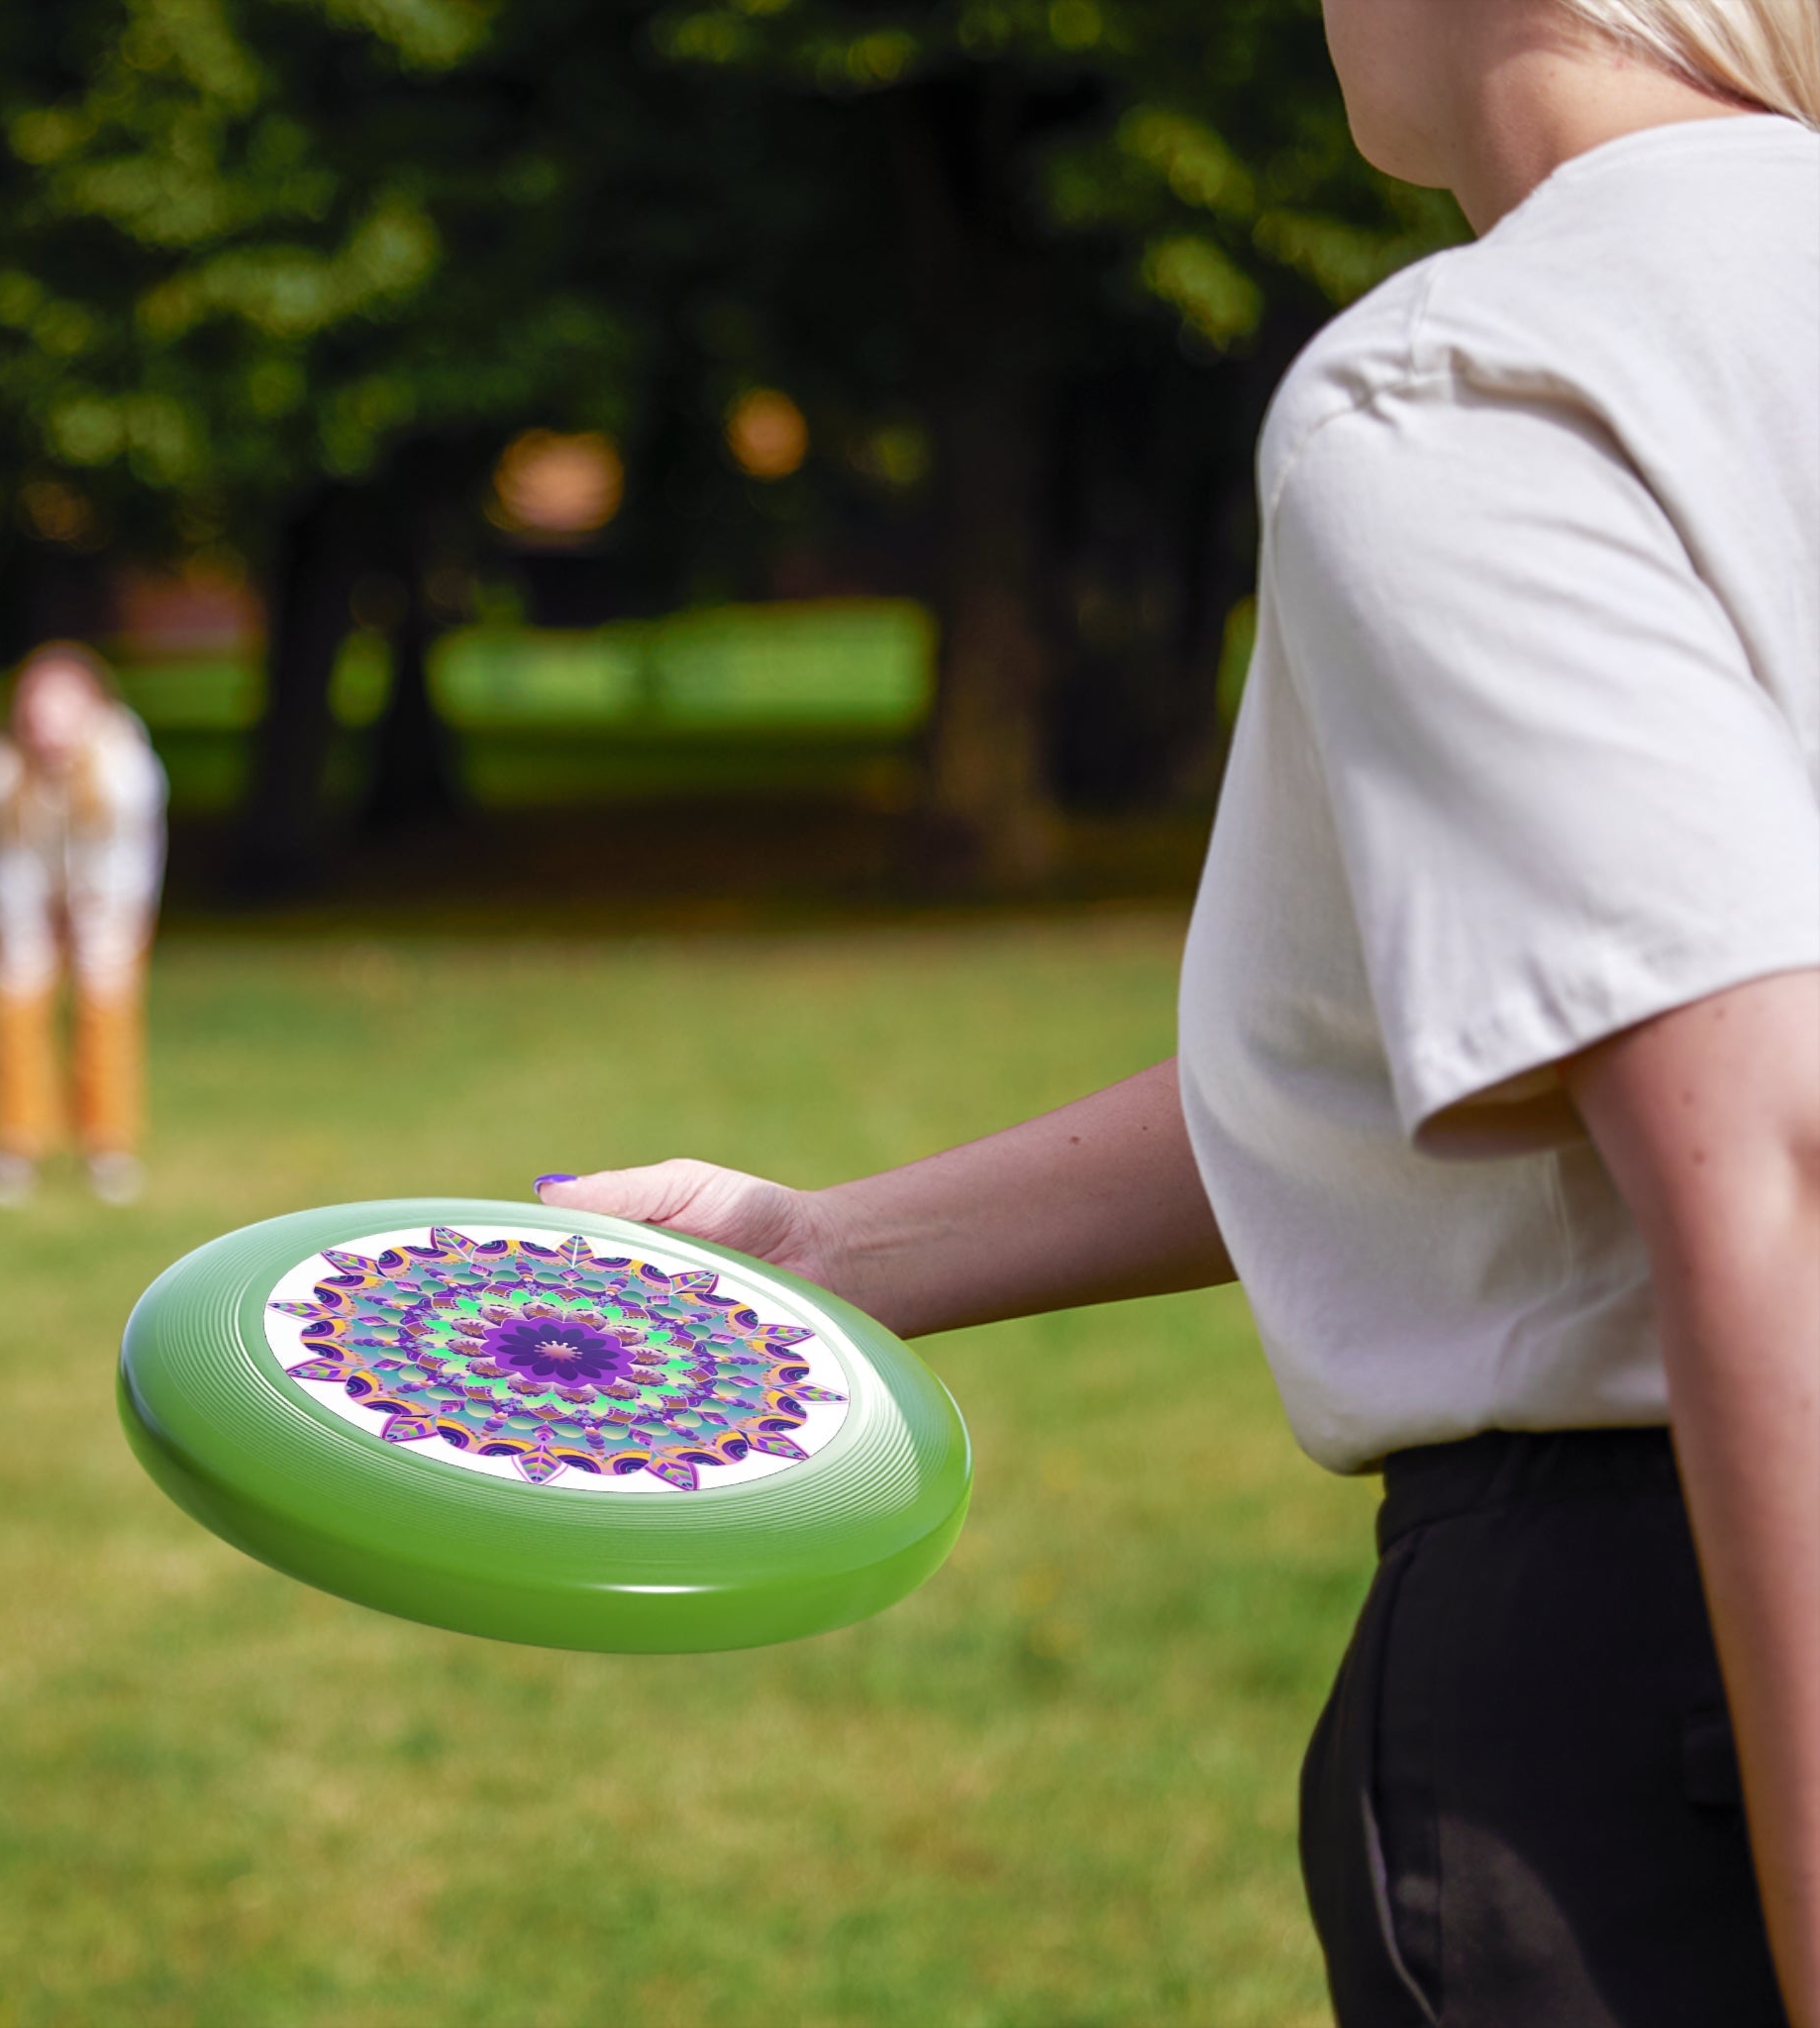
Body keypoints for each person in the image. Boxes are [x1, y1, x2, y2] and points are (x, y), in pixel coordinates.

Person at [533, 2, 1820, 2022]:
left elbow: (1769, 1153)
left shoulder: (1480, 379)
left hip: (1675, 1671)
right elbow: (1506, 1037)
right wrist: (826, 1248)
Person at [0, 642, 167, 1207]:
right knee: (14, 1000)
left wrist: (94, 925)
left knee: (106, 1006)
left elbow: (125, 865)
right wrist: (27, 932)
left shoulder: (127, 770)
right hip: (24, 899)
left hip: (109, 901)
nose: (48, 725)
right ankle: (15, 1145)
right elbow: (6, 864)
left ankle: (108, 1147)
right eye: (37, 708)